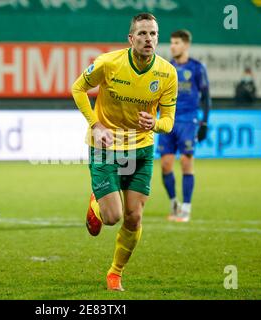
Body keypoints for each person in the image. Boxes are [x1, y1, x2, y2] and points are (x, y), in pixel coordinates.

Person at [71, 13, 177, 291]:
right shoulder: (108, 63)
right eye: (142, 34)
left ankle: (115, 272)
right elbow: (78, 88)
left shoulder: (167, 73)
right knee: (111, 217)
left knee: (134, 216)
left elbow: (168, 121)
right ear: (131, 39)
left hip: (141, 151)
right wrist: (95, 125)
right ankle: (97, 201)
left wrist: (155, 123)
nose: (148, 39)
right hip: (105, 147)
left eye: (153, 34)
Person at [158, 30, 211, 223]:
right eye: (171, 42)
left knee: (186, 163)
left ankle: (186, 208)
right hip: (167, 119)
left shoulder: (197, 68)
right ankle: (174, 203)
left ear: (186, 45)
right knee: (165, 165)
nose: (172, 46)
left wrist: (204, 122)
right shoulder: (166, 67)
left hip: (188, 120)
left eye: (177, 43)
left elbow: (206, 98)